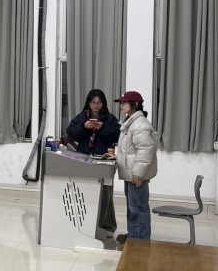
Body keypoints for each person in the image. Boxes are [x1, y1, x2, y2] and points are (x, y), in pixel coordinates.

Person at [114, 91, 158, 244]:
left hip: (136, 175)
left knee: (138, 208)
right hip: (131, 173)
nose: (121, 105)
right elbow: (130, 150)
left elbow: (146, 150)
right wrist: (117, 157)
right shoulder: (131, 122)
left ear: (136, 104)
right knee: (133, 208)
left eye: (124, 102)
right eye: (121, 102)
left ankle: (139, 243)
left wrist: (139, 174)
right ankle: (134, 236)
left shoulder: (139, 125)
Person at [66, 88, 121, 155]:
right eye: (93, 102)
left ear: (103, 103)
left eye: (99, 102)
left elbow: (117, 137)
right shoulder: (81, 117)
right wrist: (83, 127)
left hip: (103, 156)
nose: (96, 105)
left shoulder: (110, 118)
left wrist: (102, 128)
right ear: (88, 103)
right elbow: (70, 134)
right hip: (83, 155)